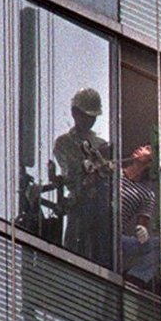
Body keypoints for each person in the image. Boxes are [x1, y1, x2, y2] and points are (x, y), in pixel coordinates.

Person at [53, 87, 113, 266]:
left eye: (93, 117)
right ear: (74, 113)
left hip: (100, 205)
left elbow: (109, 174)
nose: (90, 121)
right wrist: (86, 165)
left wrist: (105, 164)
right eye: (86, 116)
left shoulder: (101, 144)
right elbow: (69, 169)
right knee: (76, 252)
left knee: (101, 252)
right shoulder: (65, 142)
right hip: (79, 204)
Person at [118, 144, 160, 287]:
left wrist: (143, 233)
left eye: (147, 148)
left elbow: (142, 226)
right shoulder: (113, 173)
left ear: (151, 162)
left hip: (116, 238)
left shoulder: (146, 194)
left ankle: (135, 277)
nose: (140, 147)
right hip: (97, 225)